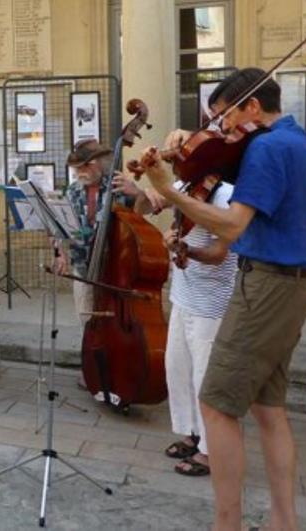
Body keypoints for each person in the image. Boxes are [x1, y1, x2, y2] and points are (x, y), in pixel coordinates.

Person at [140, 68, 306, 531]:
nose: (221, 130)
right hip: (292, 284)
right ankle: (284, 522)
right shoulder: (295, 140)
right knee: (268, 409)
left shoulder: (267, 147)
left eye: (224, 117)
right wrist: (189, 156)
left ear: (252, 108)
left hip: (267, 285)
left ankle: (227, 525)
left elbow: (232, 226)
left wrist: (166, 189)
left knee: (216, 405)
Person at [113, 160, 238, 477]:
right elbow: (143, 209)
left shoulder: (226, 195)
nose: (175, 166)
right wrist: (139, 192)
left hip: (211, 302)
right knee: (177, 368)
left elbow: (220, 253)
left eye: (179, 159)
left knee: (204, 377)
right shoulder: (183, 187)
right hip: (183, 295)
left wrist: (185, 249)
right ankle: (191, 433)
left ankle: (212, 451)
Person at [52, 139, 117, 323]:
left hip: (113, 268)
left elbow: (141, 211)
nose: (79, 172)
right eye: (76, 168)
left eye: (84, 166)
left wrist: (138, 194)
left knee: (112, 323)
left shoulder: (117, 186)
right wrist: (59, 253)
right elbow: (56, 226)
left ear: (98, 164)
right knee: (86, 321)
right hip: (81, 265)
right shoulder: (72, 191)